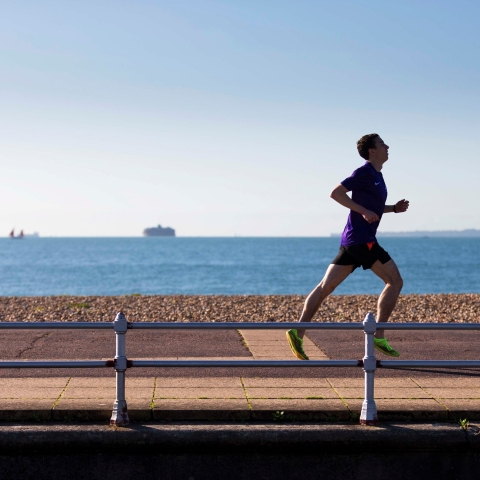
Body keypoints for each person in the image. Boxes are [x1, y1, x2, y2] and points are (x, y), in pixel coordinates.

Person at [286, 133, 409, 360]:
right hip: (363, 240)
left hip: (353, 240)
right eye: (382, 144)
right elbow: (336, 193)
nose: (387, 146)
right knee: (395, 281)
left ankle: (297, 331)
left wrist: (393, 209)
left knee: (325, 287)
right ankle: (379, 336)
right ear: (372, 151)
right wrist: (362, 211)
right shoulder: (363, 172)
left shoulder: (377, 176)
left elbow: (372, 206)